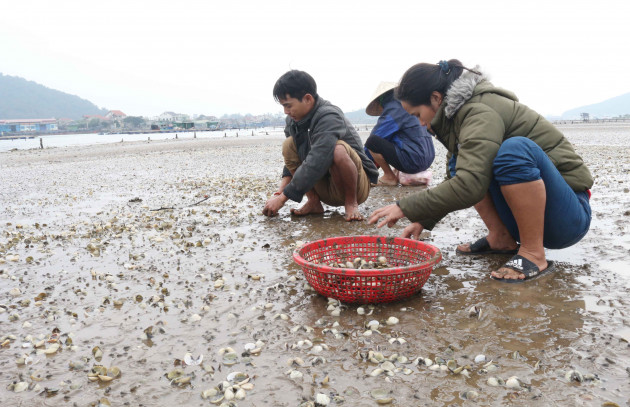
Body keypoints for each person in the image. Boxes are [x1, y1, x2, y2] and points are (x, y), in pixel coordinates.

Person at [368, 60, 593, 282]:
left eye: (417, 115)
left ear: (436, 98)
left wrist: (403, 206)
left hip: (568, 216)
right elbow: (455, 178)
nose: (419, 124)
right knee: (461, 162)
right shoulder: (457, 120)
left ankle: (533, 253)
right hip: (538, 216)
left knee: (514, 150)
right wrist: (422, 219)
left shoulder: (479, 111)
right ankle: (500, 239)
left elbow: (469, 185)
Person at [263, 70, 379, 221]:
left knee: (337, 149)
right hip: (325, 186)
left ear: (308, 99)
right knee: (289, 145)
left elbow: (317, 159)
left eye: (288, 105)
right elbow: (292, 159)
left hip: (356, 186)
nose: (286, 111)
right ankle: (313, 202)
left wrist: (283, 199)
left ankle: (351, 203)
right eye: (283, 106)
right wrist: (279, 193)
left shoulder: (329, 116)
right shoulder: (293, 120)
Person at [364, 81, 435, 186]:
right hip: (429, 157)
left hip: (413, 160)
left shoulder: (393, 109)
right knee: (397, 135)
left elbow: (376, 136)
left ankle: (389, 176)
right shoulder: (410, 104)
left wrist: (363, 163)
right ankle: (396, 172)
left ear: (381, 99)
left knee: (372, 142)